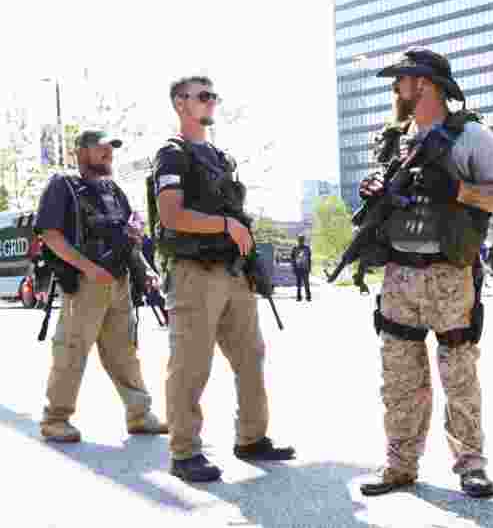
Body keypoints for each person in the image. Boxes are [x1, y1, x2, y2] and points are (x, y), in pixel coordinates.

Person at [355, 48, 493, 498]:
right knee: (398, 378)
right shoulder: (394, 139)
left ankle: (471, 465)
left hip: (449, 272)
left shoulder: (471, 136)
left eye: (402, 80)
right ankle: (399, 465)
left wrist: (461, 190)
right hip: (398, 274)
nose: (396, 89)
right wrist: (374, 192)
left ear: (424, 84)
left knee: (459, 373)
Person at [153, 76, 294, 483]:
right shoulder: (172, 154)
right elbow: (170, 215)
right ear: (181, 104)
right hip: (194, 273)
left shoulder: (219, 157)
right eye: (202, 96)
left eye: (213, 95)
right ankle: (184, 453)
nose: (211, 102)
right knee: (191, 365)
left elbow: (236, 214)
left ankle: (252, 438)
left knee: (251, 357)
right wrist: (225, 224)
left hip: (233, 273)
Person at [35, 130, 166, 443]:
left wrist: (145, 269)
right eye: (101, 147)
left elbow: (128, 236)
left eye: (111, 148)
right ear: (81, 152)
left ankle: (139, 414)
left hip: (118, 282)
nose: (109, 152)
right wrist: (91, 269)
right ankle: (55, 419)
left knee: (125, 353)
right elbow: (50, 236)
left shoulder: (113, 190)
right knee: (71, 351)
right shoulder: (62, 185)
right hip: (85, 284)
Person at [290, 235, 313, 302]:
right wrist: (294, 268)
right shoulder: (295, 248)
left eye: (302, 239)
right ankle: (299, 297)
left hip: (305, 268)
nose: (301, 241)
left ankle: (307, 297)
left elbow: (309, 259)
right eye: (300, 239)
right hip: (299, 268)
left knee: (306, 283)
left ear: (303, 240)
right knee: (299, 284)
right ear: (298, 240)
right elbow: (292, 259)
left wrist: (309, 268)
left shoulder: (307, 248)